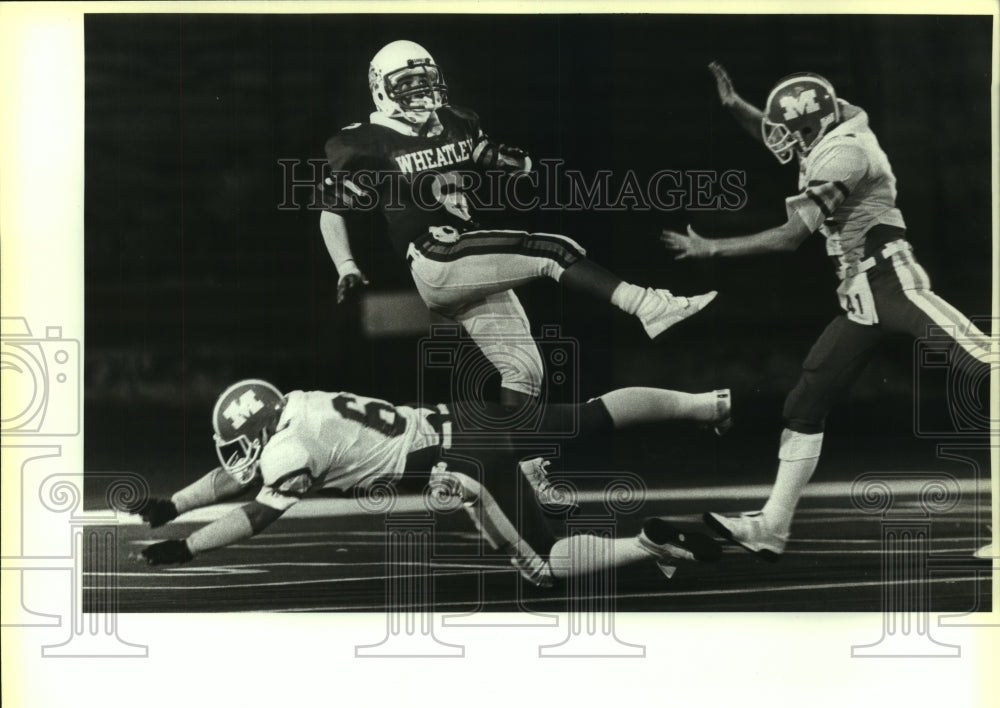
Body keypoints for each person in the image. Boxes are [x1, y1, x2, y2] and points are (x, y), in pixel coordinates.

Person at [660, 64, 994, 560]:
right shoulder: (828, 126)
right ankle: (771, 526)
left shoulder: (846, 152)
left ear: (818, 123)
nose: (788, 141)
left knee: (989, 365)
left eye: (797, 132)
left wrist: (712, 249)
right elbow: (777, 135)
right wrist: (738, 109)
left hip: (891, 281)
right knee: (804, 402)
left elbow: (791, 235)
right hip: (859, 295)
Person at [320, 40, 716, 410]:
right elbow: (332, 210)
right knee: (553, 250)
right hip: (434, 256)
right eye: (408, 82)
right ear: (381, 89)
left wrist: (514, 163)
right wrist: (346, 265)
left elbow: (491, 156)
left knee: (524, 374)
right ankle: (648, 305)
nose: (421, 89)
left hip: (469, 257)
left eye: (425, 79)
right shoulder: (365, 143)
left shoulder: (458, 122)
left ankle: (522, 475)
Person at [134, 379, 730, 587]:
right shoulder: (297, 404)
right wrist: (174, 504)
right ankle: (708, 405)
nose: (243, 458)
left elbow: (257, 513)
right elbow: (238, 474)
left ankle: (647, 544)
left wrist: (187, 546)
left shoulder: (290, 448)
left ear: (263, 428)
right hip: (468, 416)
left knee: (545, 569)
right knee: (590, 414)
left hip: (465, 461)